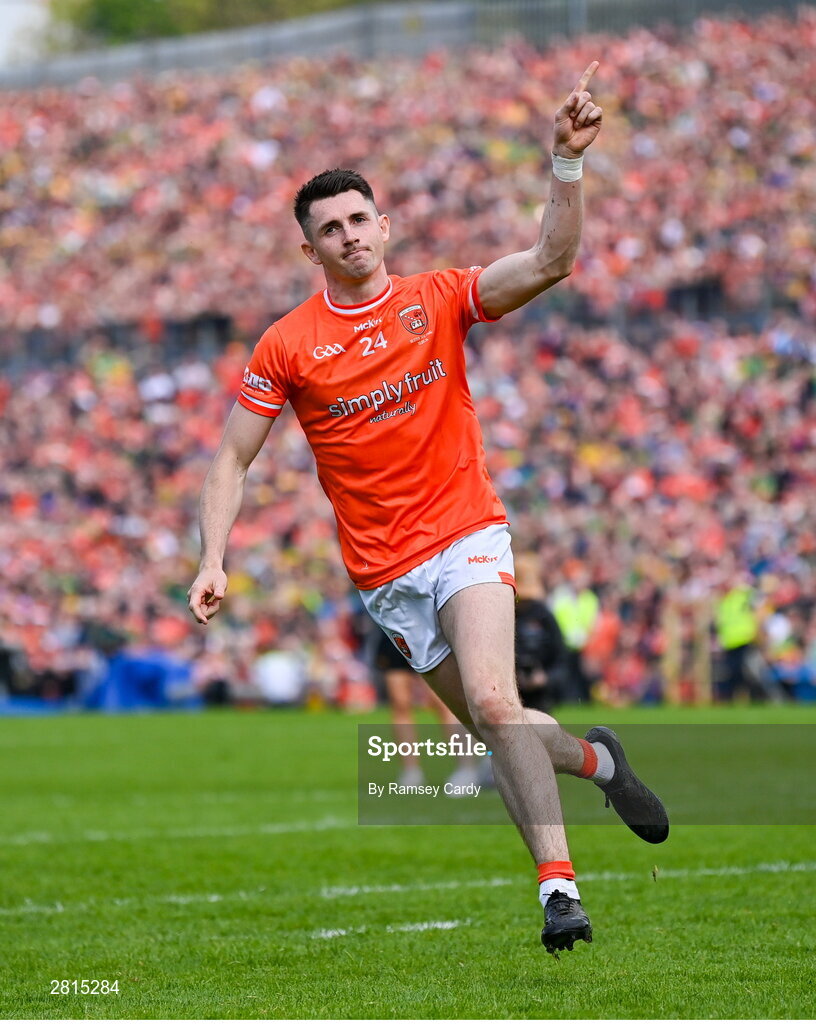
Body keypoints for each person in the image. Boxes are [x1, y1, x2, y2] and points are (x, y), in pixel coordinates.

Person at [187, 62, 668, 955]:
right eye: (329, 229)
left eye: (359, 219)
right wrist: (213, 557)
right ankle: (599, 761)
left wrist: (565, 166)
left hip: (465, 534)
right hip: (385, 574)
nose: (349, 236)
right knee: (506, 727)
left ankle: (559, 894)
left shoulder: (439, 298)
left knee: (493, 697)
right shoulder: (287, 344)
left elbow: (554, 260)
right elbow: (230, 457)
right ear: (310, 250)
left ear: (384, 224)